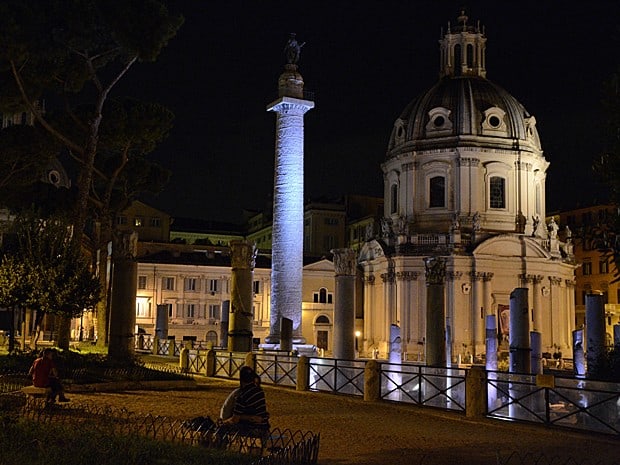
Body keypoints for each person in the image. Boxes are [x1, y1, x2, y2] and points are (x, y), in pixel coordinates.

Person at [221, 366, 269, 433]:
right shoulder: (259, 391)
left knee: (222, 428)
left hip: (251, 429)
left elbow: (235, 419)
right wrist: (249, 417)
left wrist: (223, 422)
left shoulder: (242, 395)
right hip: (263, 427)